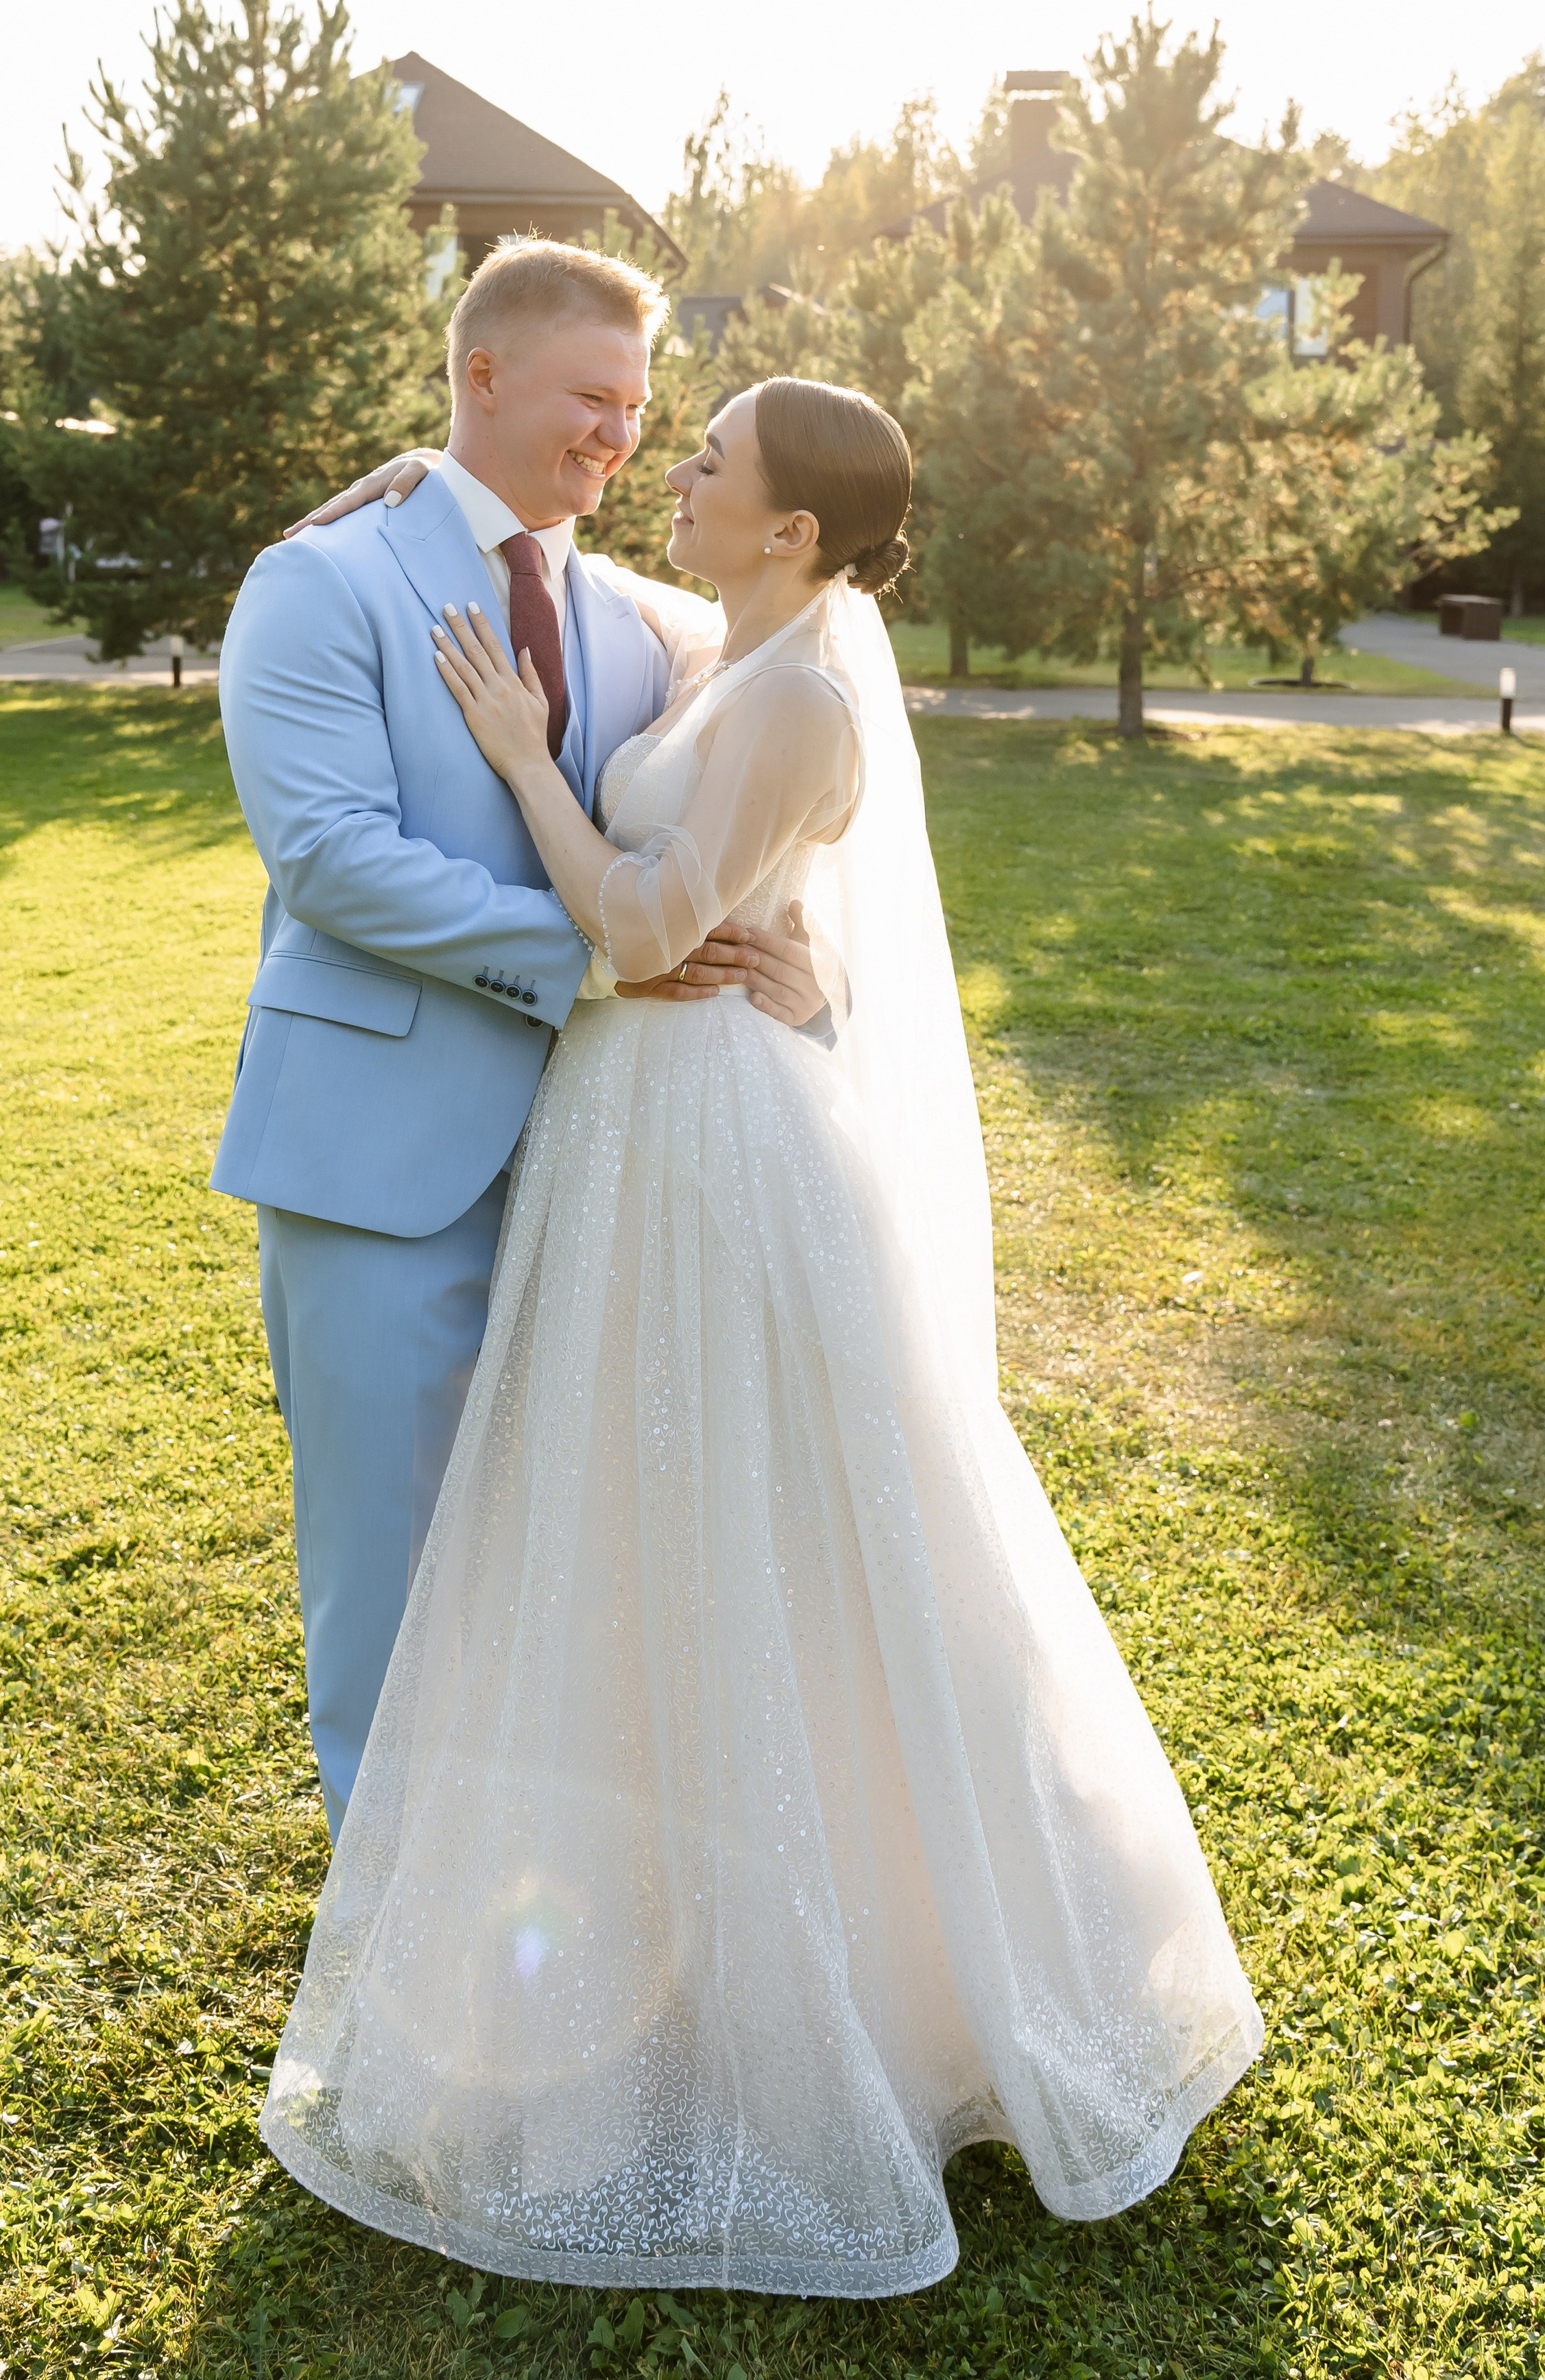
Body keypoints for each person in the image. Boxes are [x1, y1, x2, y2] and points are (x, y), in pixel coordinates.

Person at [259, 374, 1265, 2296]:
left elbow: (640, 934)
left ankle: (856, 1984)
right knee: (639, 1524)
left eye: (711, 460)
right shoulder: (735, 641)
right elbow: (591, 577)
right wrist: (430, 478)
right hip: (641, 1131)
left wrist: (523, 753)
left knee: (774, 1527)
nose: (678, 474)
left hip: (710, 1144)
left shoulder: (798, 692)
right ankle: (672, 1930)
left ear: (794, 528)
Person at [212, 241, 828, 1842]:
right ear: (478, 379)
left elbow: (777, 714)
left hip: (597, 1173)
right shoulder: (319, 582)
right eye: (588, 398)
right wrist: (600, 962)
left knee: (564, 1564)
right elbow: (330, 858)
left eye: (639, 409)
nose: (621, 438)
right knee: (387, 1578)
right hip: (376, 1161)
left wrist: (794, 955)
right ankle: (387, 1953)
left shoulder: (638, 616)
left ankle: (521, 1913)